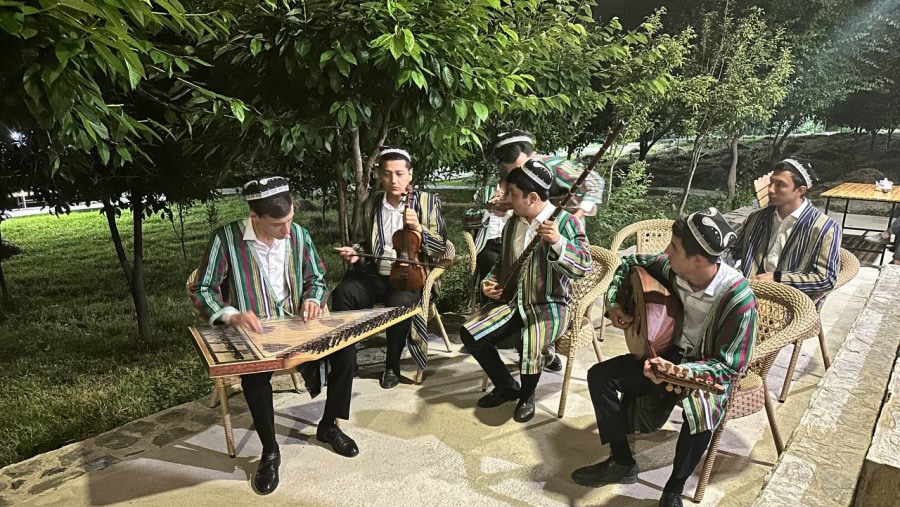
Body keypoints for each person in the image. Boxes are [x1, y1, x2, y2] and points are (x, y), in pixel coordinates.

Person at [571, 208, 757, 507]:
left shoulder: (738, 298)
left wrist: (679, 372)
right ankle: (621, 462)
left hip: (704, 369)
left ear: (697, 260)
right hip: (667, 352)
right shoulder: (672, 267)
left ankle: (673, 489)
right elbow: (628, 261)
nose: (666, 251)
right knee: (600, 376)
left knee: (703, 414)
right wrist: (617, 303)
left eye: (674, 247)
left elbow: (730, 366)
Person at [188, 177, 358, 496]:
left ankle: (329, 425)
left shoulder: (299, 236)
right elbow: (203, 289)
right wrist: (230, 314)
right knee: (255, 378)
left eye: (290, 220)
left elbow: (317, 278)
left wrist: (313, 298)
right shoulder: (226, 239)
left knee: (346, 351)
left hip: (297, 326)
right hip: (255, 332)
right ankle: (270, 451)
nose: (287, 231)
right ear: (255, 217)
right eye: (278, 224)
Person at [460, 159, 592, 423]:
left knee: (532, 341)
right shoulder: (514, 223)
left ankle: (527, 396)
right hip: (514, 302)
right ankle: (508, 386)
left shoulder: (565, 224)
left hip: (550, 304)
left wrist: (558, 242)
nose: (507, 198)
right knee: (471, 333)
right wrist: (490, 281)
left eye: (513, 194)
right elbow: (501, 264)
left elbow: (582, 267)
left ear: (532, 198)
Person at [466, 130, 604, 371]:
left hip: (556, 233)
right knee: (506, 273)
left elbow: (594, 183)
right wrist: (499, 206)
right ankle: (511, 333)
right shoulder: (507, 183)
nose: (519, 173)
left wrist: (575, 215)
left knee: (548, 285)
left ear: (532, 155)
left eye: (521, 165)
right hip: (522, 232)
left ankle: (543, 344)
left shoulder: (556, 165)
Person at [332, 147, 447, 389]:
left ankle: (391, 366)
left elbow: (441, 247)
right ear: (379, 176)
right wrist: (354, 253)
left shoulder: (427, 203)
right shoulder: (370, 205)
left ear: (410, 175)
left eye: (399, 174)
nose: (393, 181)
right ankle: (346, 362)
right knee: (343, 293)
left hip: (409, 277)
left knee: (401, 303)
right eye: (387, 174)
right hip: (375, 273)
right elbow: (363, 241)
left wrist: (420, 230)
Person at [731, 158, 841, 300]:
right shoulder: (756, 218)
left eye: (780, 185)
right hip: (747, 297)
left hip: (790, 306)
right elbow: (733, 251)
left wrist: (777, 279)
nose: (770, 189)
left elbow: (827, 279)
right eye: (771, 182)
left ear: (800, 191)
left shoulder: (825, 228)